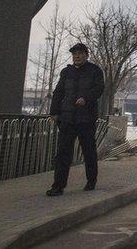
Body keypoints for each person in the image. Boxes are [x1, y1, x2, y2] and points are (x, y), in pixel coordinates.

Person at [46, 42, 105, 196]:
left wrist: (86, 98)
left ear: (86, 55)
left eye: (80, 53)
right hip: (68, 118)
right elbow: (58, 92)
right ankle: (58, 186)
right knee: (63, 153)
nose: (77, 56)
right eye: (74, 54)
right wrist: (54, 112)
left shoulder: (94, 71)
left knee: (89, 152)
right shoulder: (66, 72)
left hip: (86, 118)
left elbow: (99, 89)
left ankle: (91, 181)